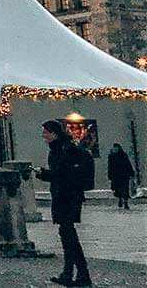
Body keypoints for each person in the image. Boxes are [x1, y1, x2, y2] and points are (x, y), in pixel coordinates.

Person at [36, 120, 92, 287]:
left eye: (46, 133)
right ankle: (69, 273)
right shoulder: (61, 148)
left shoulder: (64, 149)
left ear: (54, 133)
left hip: (67, 196)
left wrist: (44, 173)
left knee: (69, 235)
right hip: (64, 196)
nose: (44, 136)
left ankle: (81, 274)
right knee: (67, 234)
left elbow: (62, 174)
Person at [107, 143, 134, 210]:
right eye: (114, 148)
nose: (115, 149)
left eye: (116, 148)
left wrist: (131, 172)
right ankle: (120, 199)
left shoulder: (123, 155)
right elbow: (110, 167)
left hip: (124, 175)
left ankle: (125, 202)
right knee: (118, 189)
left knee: (125, 189)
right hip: (116, 176)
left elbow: (128, 164)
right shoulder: (111, 156)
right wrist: (110, 175)